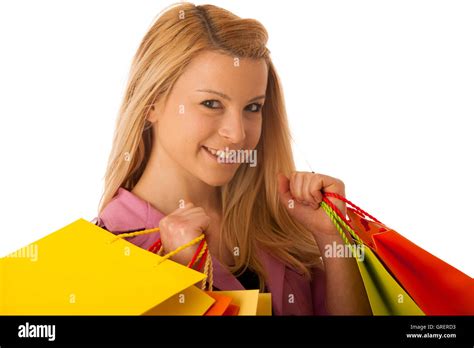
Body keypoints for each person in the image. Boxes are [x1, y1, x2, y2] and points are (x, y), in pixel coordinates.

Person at [93, 2, 372, 315]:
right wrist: (186, 287)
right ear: (152, 103)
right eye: (212, 103)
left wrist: (331, 239)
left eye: (252, 107)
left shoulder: (277, 227)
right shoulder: (105, 251)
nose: (237, 134)